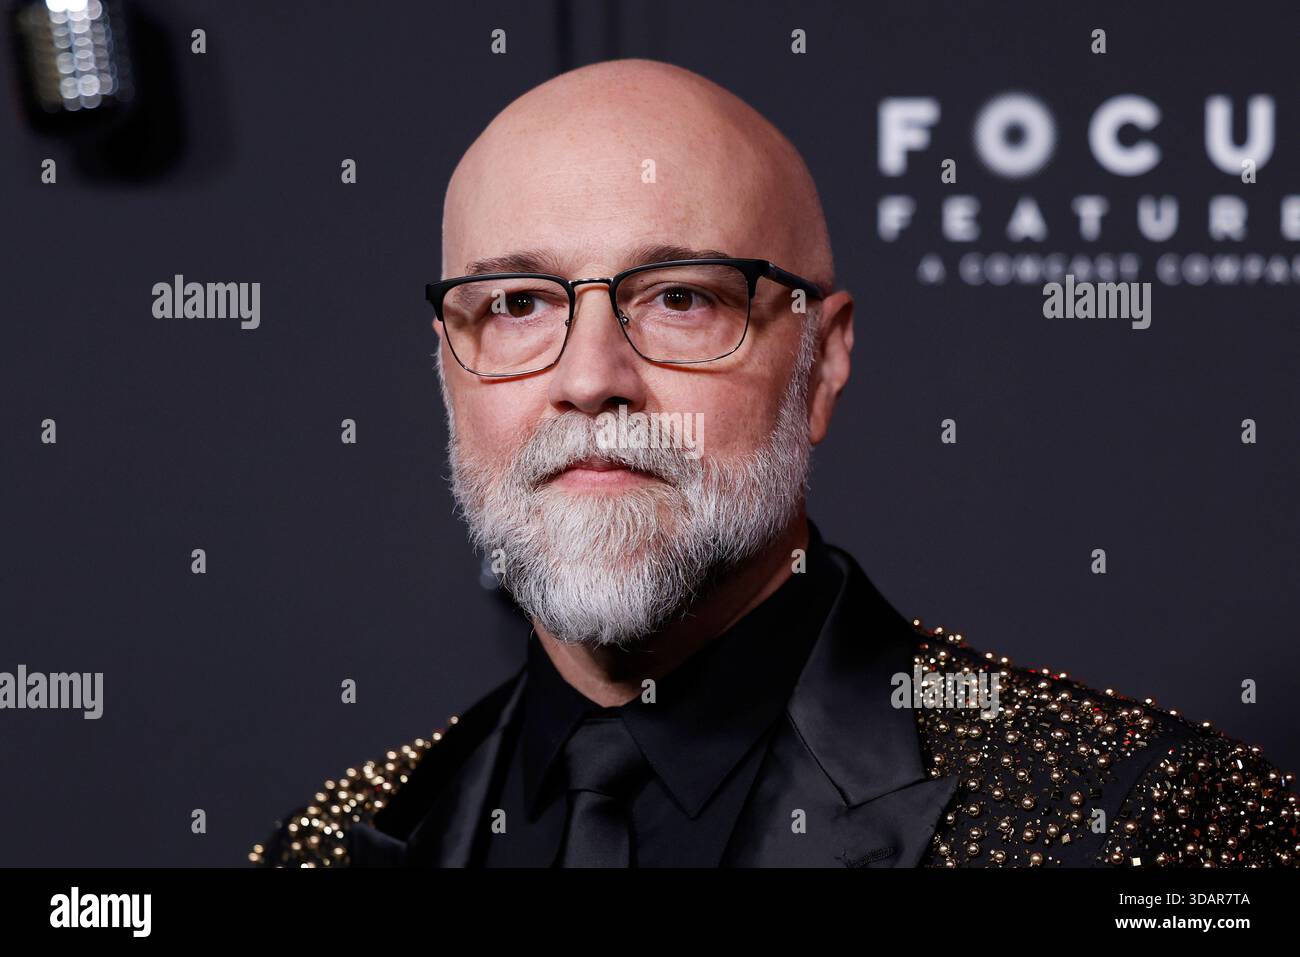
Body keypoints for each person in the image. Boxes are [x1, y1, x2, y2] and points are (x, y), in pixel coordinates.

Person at [252, 59, 1296, 868]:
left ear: (823, 361)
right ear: (449, 368)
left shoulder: (1136, 821)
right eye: (518, 306)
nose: (591, 377)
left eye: (681, 297)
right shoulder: (331, 847)